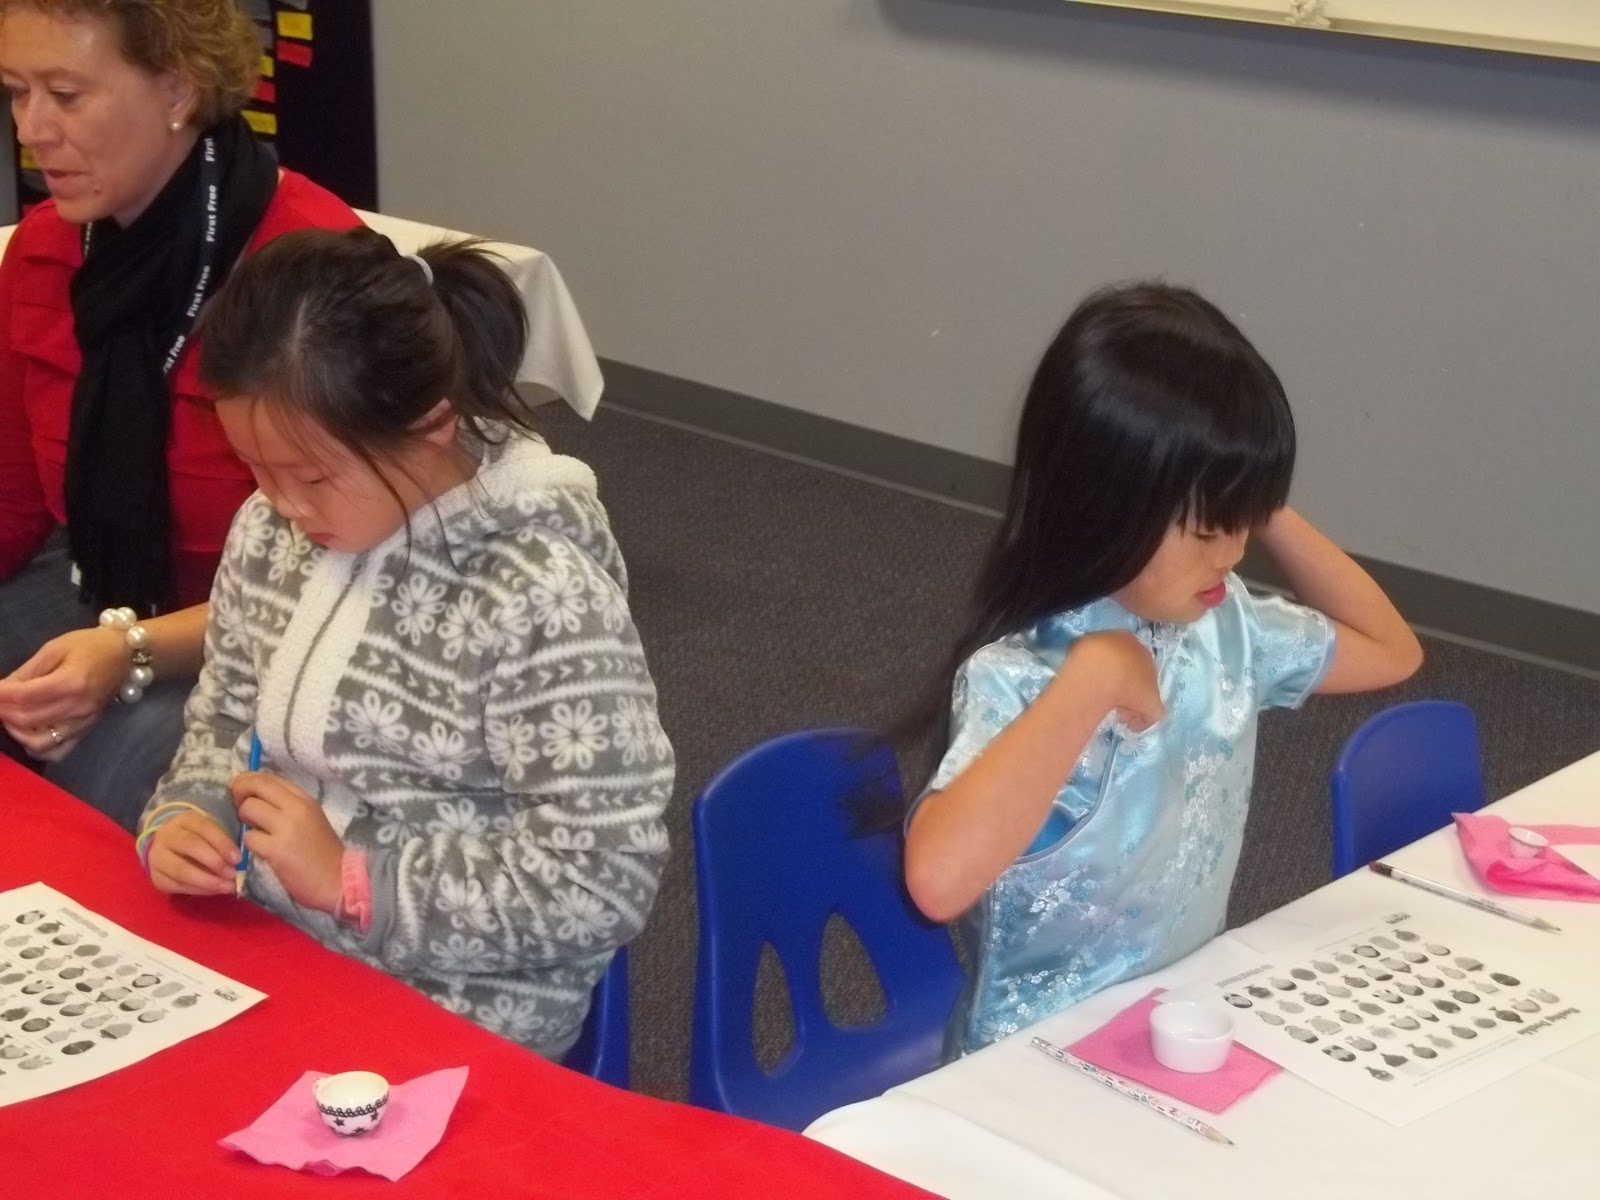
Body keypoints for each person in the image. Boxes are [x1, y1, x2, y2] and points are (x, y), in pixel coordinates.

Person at [135, 229, 673, 1058]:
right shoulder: (268, 532)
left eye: (313, 476)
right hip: (272, 945)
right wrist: (189, 813)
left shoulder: (537, 597)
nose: (283, 504)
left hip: (459, 1009)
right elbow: (226, 721)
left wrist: (353, 879)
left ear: (431, 428)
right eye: (256, 468)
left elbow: (600, 879)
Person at [902, 283, 1422, 1058]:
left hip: (1172, 1027)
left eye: (1244, 523)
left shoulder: (1223, 623)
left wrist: (1250, 492)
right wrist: (1090, 683)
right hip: (1030, 1063)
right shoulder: (1023, 674)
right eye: (1209, 529)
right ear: (1106, 505)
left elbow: (1391, 649)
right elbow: (938, 881)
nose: (1234, 552)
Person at [0, 0, 359, 829]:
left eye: (66, 95)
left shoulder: (306, 269)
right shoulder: (44, 250)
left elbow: (342, 580)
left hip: (264, 637)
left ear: (177, 90)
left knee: (121, 783)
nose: (32, 130)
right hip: (97, 585)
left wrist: (128, 651)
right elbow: (16, 506)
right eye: (17, 91)